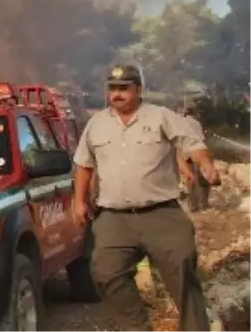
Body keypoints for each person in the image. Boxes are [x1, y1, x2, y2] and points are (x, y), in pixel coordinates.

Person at [71, 63, 221, 332]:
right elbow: (84, 164)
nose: (117, 94)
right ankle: (138, 328)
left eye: (124, 88)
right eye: (113, 89)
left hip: (162, 215)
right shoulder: (97, 124)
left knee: (183, 274)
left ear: (138, 90)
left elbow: (193, 144)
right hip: (114, 218)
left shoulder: (161, 116)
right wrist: (78, 200)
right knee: (105, 273)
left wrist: (206, 164)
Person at [179, 105, 211, 212]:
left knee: (191, 179)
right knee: (203, 179)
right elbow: (202, 139)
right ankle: (204, 204)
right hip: (197, 152)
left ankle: (193, 205)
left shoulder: (180, 121)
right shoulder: (196, 123)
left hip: (185, 153)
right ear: (194, 113)